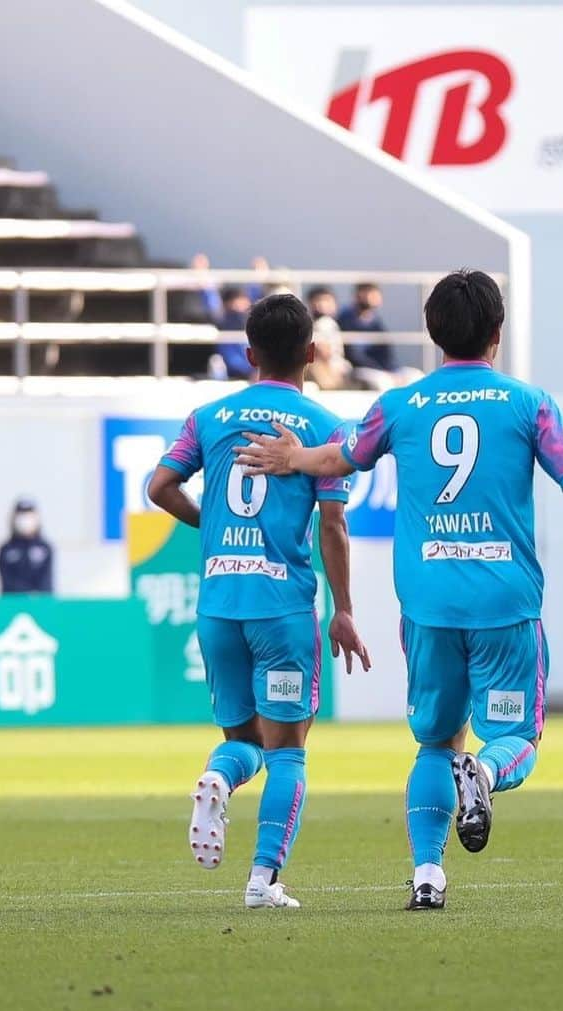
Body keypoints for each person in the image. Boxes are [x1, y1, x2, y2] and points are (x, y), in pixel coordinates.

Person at [235, 269, 563, 911]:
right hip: (504, 603)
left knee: (433, 741)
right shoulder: (526, 403)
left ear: (433, 334)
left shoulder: (400, 406)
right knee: (515, 739)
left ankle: (428, 875)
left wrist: (291, 458)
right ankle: (483, 775)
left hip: (427, 605)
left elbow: (337, 458)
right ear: (497, 333)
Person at [148, 293, 371, 911]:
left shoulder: (208, 416)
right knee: (289, 752)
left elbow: (159, 486)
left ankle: (219, 776)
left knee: (243, 739)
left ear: (248, 353)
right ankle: (263, 881)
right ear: (311, 353)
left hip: (218, 604)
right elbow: (333, 525)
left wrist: (208, 524)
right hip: (282, 607)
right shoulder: (325, 428)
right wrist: (344, 608)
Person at [338, 282, 422, 390]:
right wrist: (383, 371)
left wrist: (391, 370)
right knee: (383, 382)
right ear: (359, 296)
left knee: (415, 376)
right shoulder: (346, 321)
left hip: (384, 370)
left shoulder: (376, 323)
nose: (375, 298)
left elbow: (386, 352)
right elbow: (354, 356)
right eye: (371, 294)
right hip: (359, 370)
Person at [0, 498, 54, 595]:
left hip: (40, 603)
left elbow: (46, 580)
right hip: (13, 603)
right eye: (21, 516)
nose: (25, 520)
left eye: (29, 515)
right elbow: (7, 580)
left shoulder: (45, 548)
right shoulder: (6, 549)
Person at [306, 287, 354, 391]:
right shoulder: (312, 324)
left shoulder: (328, 323)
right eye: (318, 300)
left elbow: (325, 352)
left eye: (326, 300)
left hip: (334, 369)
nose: (322, 304)